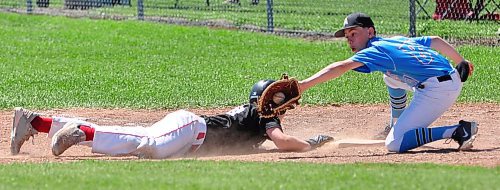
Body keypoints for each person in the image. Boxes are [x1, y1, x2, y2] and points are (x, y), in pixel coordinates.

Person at [10, 80, 333, 159]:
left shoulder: (253, 117)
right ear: (264, 101)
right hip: (192, 129)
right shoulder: (262, 117)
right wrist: (310, 145)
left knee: (134, 136)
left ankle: (35, 121)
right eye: (277, 100)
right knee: (148, 146)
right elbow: (282, 141)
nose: (281, 105)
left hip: (187, 129)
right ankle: (82, 132)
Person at [298, 12, 478, 153]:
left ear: (370, 32)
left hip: (437, 90)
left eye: (354, 33)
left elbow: (340, 67)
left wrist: (303, 85)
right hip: (447, 78)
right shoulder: (394, 40)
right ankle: (396, 124)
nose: (350, 39)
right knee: (390, 77)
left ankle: (457, 131)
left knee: (394, 143)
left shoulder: (375, 50)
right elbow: (435, 40)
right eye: (347, 36)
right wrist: (461, 61)